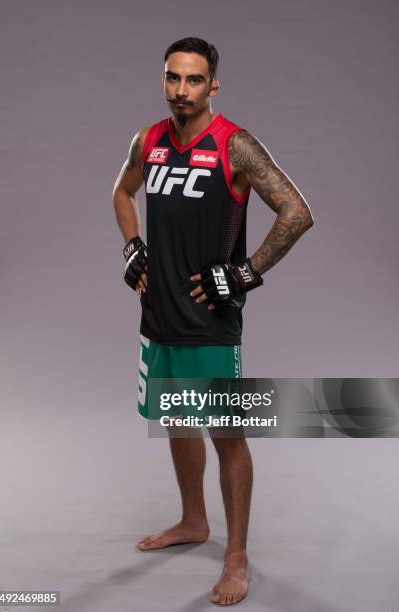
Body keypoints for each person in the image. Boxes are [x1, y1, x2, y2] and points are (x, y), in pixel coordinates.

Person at [112, 36, 313, 606]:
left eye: (194, 80)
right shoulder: (148, 141)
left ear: (213, 85)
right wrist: (132, 248)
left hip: (210, 321)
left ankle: (236, 556)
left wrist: (245, 273)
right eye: (173, 78)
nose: (181, 90)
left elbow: (298, 212)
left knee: (227, 436)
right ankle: (193, 521)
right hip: (158, 316)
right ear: (163, 80)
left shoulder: (235, 145)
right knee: (176, 420)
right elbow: (121, 192)